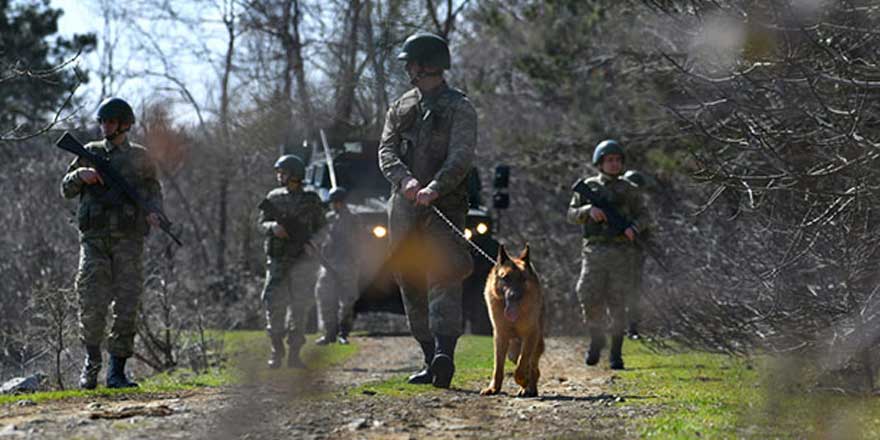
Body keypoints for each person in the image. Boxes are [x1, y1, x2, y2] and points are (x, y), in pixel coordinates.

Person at [378, 32, 477, 388]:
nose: (407, 69)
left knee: (444, 274)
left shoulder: (460, 107)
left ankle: (444, 355)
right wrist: (405, 181)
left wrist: (436, 187)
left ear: (425, 64)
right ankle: (427, 356)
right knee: (409, 278)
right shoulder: (401, 106)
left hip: (445, 206)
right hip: (404, 208)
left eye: (411, 63)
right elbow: (386, 151)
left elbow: (461, 157)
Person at [61, 97, 163, 389]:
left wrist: (156, 213)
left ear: (125, 124)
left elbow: (154, 192)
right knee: (91, 304)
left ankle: (117, 372)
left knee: (127, 306)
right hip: (94, 242)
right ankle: (91, 365)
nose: (105, 126)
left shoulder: (141, 158)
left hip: (129, 242)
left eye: (111, 122)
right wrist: (80, 175)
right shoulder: (89, 152)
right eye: (103, 121)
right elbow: (65, 189)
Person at [567, 140, 648, 370]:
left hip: (622, 252)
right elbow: (571, 214)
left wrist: (634, 228)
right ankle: (596, 337)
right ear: (600, 163)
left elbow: (644, 215)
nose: (613, 164)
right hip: (594, 250)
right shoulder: (589, 187)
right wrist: (587, 211)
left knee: (618, 302)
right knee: (587, 293)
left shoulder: (630, 189)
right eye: (609, 160)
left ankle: (616, 353)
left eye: (617, 160)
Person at [257, 154, 326, 368]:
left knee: (300, 307)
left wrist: (314, 243)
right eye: (279, 172)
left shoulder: (311, 199)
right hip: (277, 261)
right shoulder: (274, 197)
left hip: (303, 262)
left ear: (294, 175)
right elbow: (260, 223)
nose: (279, 176)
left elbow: (322, 228)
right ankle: (276, 350)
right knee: (273, 304)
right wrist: (273, 228)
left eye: (283, 172)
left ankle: (295, 354)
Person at [314, 187, 361, 346]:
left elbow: (358, 241)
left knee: (347, 301)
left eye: (335, 202)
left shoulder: (353, 219)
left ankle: (343, 333)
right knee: (325, 298)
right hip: (328, 264)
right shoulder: (328, 218)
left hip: (347, 263)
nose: (333, 205)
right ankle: (328, 333)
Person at [622, 169, 648, 339]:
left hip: (635, 255)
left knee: (634, 292)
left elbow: (646, 228)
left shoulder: (640, 209)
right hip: (616, 254)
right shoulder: (618, 206)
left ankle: (632, 328)